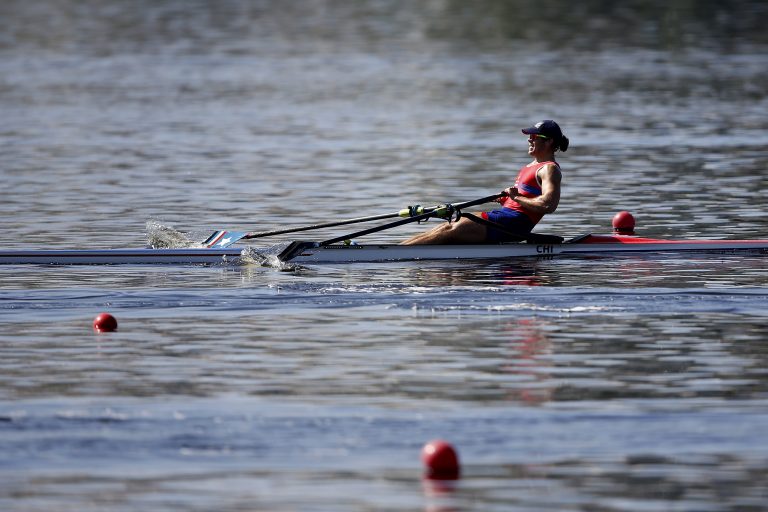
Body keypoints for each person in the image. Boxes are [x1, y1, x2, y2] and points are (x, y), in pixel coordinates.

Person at [401, 120, 569, 245]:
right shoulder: (531, 166)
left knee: (450, 229)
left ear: (549, 142)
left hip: (513, 224)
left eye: (534, 136)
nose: (529, 140)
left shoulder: (549, 169)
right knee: (445, 227)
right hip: (503, 217)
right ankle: (396, 248)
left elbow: (549, 205)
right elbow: (527, 197)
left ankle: (393, 253)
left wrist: (516, 198)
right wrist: (508, 199)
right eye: (529, 137)